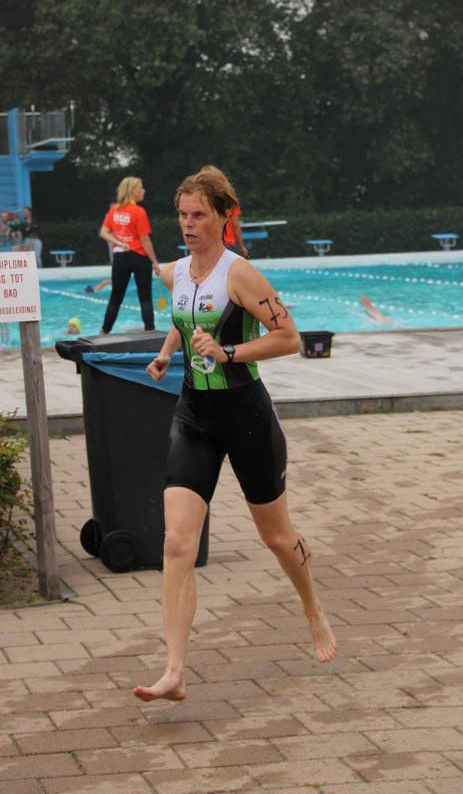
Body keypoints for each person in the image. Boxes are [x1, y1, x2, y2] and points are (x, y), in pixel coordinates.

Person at [132, 165, 336, 704]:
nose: (189, 224)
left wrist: (229, 353)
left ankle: (312, 607)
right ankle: (174, 669)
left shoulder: (241, 274)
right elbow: (184, 321)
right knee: (177, 542)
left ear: (225, 217)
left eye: (200, 215)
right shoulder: (175, 272)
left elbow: (289, 337)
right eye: (182, 215)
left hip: (246, 417)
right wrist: (165, 353)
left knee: (275, 537)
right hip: (194, 416)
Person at [99, 176, 161, 334]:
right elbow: (145, 239)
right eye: (140, 187)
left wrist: (119, 243)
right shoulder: (139, 212)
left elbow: (104, 233)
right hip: (139, 256)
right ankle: (150, 332)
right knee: (145, 296)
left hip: (120, 257)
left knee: (116, 296)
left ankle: (104, 331)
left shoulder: (114, 211)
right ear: (132, 191)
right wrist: (154, 262)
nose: (143, 190)